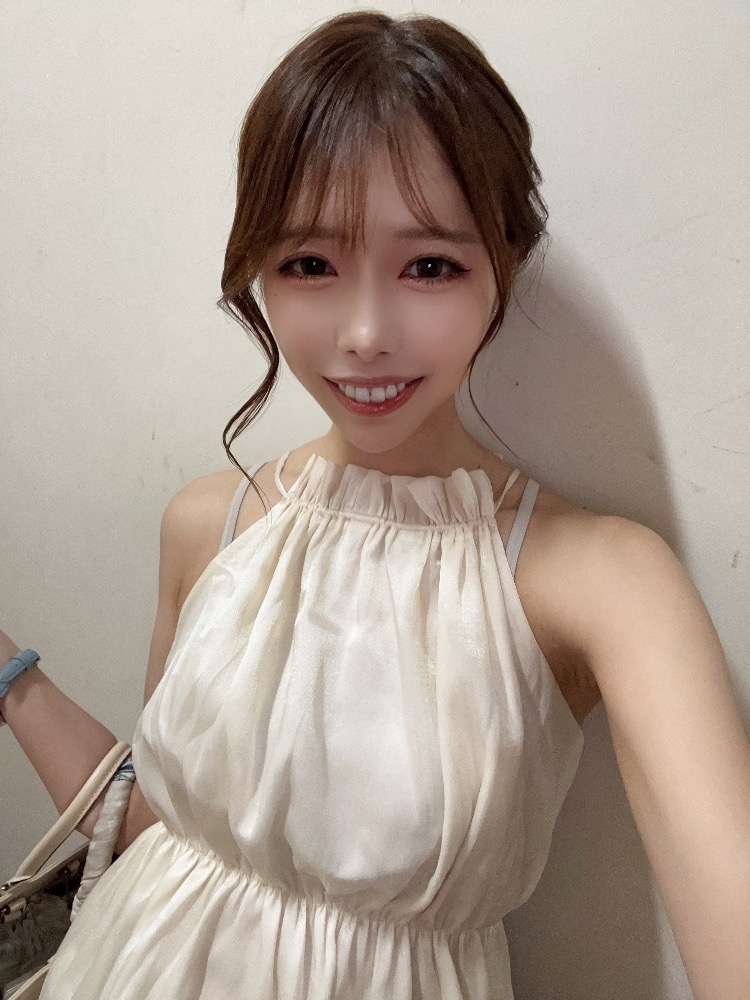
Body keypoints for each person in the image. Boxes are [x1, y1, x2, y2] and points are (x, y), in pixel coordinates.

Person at [1, 10, 749, 1000]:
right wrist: (10, 675)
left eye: (429, 265)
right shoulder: (207, 523)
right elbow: (162, 840)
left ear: (502, 266)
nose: (364, 333)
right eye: (310, 264)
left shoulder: (600, 580)